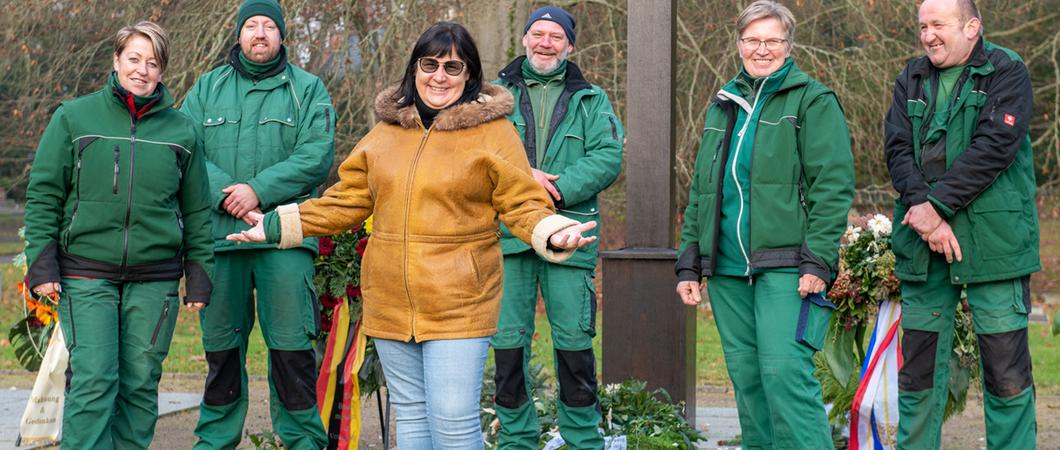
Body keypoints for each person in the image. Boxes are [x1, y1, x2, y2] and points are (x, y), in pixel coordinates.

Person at [229, 21, 597, 450]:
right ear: (414, 68)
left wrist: (552, 232)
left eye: (453, 67)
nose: (439, 76)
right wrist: (274, 225)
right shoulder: (385, 134)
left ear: (469, 76)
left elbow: (522, 203)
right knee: (413, 420)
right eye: (430, 63)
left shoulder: (495, 134)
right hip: (390, 303)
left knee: (453, 424)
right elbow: (344, 201)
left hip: (459, 303)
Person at [22, 21, 213, 449]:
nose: (142, 70)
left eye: (152, 62)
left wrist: (199, 270)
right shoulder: (73, 117)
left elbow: (197, 209)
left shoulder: (183, 132)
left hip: (156, 276)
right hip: (86, 272)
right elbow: (44, 194)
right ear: (116, 60)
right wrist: (41, 261)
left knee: (141, 380)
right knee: (94, 377)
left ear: (162, 70)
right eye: (134, 59)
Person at [674, 1, 854, 448]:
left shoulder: (812, 99)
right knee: (749, 382)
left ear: (788, 45)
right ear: (738, 44)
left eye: (772, 40)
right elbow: (702, 190)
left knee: (785, 375)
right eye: (752, 40)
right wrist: (690, 262)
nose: (762, 49)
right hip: (730, 270)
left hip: (788, 267)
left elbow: (831, 187)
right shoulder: (723, 105)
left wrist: (818, 260)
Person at [179, 0, 334, 447]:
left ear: (283, 35)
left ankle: (303, 440)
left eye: (269, 25)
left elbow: (316, 155)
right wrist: (232, 194)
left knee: (292, 352)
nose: (260, 33)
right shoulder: (206, 88)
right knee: (222, 354)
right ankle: (215, 441)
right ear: (239, 34)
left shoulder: (308, 89)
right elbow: (186, 150)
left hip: (283, 240)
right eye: (252, 25)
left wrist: (259, 191)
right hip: (220, 241)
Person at [885, 0, 1039, 448]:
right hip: (922, 245)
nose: (928, 35)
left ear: (972, 27)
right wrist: (926, 216)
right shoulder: (910, 77)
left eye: (938, 25)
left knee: (1007, 375)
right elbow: (897, 149)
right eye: (922, 26)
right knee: (916, 377)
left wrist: (936, 208)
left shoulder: (1007, 71)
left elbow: (994, 147)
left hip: (996, 246)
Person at [489, 6, 623, 449]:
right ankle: (515, 438)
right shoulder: (492, 96)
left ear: (570, 45)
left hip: (570, 235)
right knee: (507, 344)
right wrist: (523, 179)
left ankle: (583, 439)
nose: (546, 42)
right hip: (507, 236)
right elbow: (478, 155)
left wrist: (552, 192)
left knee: (574, 345)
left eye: (555, 36)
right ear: (524, 39)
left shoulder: (593, 99)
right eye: (538, 34)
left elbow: (607, 157)